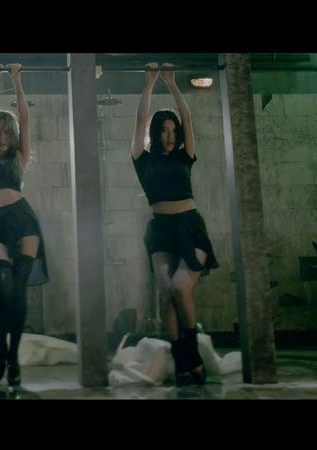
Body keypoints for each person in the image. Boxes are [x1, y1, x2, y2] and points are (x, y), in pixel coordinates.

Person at [130, 62, 219, 386]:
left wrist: (171, 83)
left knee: (181, 287)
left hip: (190, 226)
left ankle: (191, 359)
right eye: (164, 131)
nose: (170, 136)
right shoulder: (143, 159)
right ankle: (185, 365)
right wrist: (148, 84)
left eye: (173, 131)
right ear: (156, 133)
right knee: (167, 291)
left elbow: (188, 118)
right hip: (161, 230)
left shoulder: (184, 156)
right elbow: (140, 120)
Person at [0, 63, 49, 387]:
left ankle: (12, 357)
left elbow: (25, 118)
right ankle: (2, 349)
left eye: (8, 132)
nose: (3, 137)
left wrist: (17, 80)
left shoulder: (20, 159)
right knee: (3, 287)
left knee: (17, 292)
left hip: (24, 221)